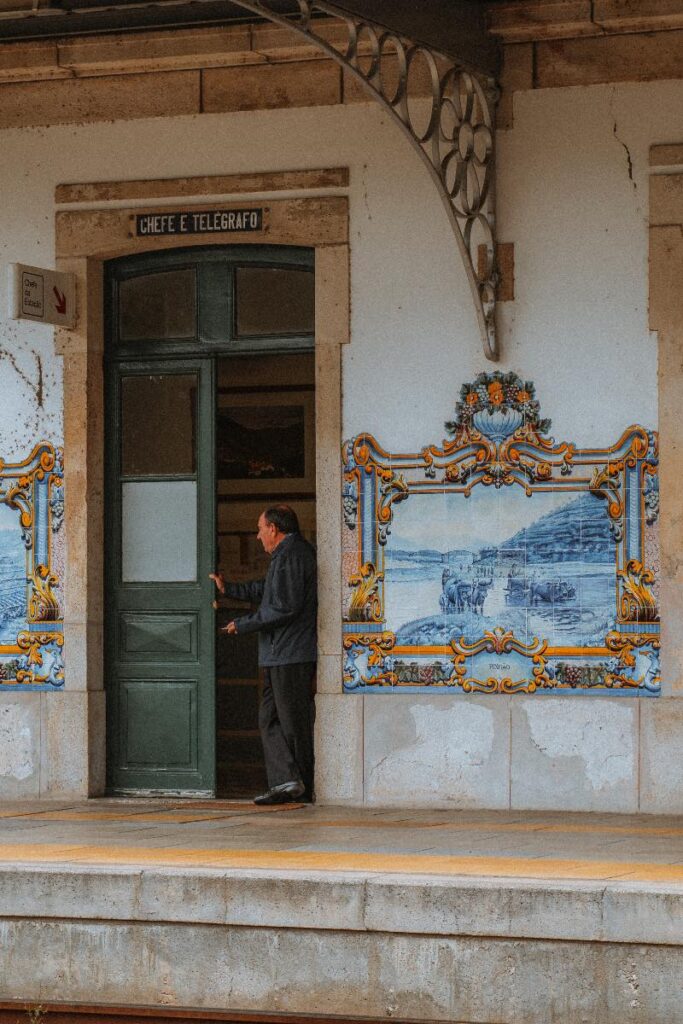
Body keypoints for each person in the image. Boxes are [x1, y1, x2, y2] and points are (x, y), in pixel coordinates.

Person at [211, 504, 317, 805]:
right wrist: (228, 588)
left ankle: (300, 788)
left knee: (291, 724)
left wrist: (243, 624)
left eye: (260, 529)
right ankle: (287, 781)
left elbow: (283, 607)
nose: (258, 536)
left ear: (274, 528)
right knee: (269, 718)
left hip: (290, 653)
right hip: (279, 654)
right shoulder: (285, 556)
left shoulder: (294, 555)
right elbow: (266, 591)